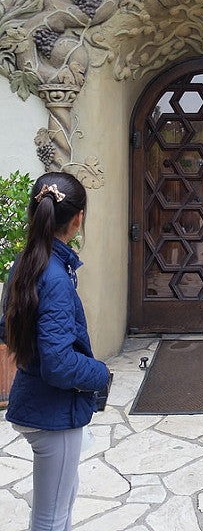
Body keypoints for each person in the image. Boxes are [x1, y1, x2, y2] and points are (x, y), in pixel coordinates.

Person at [0, 172, 110, 531]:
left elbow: (8, 328)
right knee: (51, 519)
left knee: (62, 498)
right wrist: (100, 374)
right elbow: (60, 364)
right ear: (77, 219)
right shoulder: (55, 277)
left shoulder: (25, 263)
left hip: (36, 402)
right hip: (52, 415)